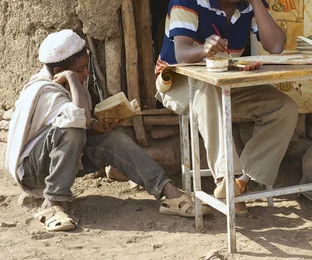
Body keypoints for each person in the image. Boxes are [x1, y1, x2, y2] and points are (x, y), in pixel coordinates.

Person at [155, 0, 299, 215]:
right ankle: (225, 178)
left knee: (283, 107)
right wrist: (204, 49)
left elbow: (276, 45)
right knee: (208, 89)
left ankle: (241, 183)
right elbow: (182, 54)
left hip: (226, 82)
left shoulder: (248, 0)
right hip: (179, 81)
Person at [5, 30, 201, 232]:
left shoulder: (71, 87)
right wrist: (72, 79)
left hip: (60, 159)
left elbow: (79, 124)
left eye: (86, 67)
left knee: (113, 138)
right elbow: (74, 121)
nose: (86, 73)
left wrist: (96, 128)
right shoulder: (45, 91)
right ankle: (52, 204)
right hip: (32, 170)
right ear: (58, 71)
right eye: (80, 69)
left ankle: (168, 193)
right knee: (71, 130)